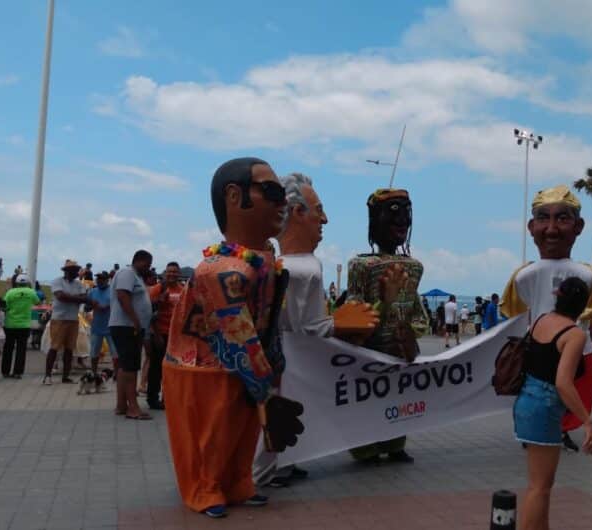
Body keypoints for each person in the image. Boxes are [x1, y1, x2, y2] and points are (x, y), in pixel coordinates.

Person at [163, 158, 303, 518]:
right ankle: (205, 487)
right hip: (207, 365)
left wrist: (271, 363)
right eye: (271, 192)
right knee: (214, 432)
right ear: (234, 196)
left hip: (250, 363)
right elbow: (235, 329)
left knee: (244, 431)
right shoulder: (221, 268)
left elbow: (269, 317)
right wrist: (264, 379)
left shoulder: (266, 262)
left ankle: (240, 480)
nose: (281, 203)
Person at [257, 171, 378, 487]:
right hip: (284, 361)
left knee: (283, 410)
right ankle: (269, 471)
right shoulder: (302, 270)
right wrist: (341, 322)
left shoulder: (288, 265)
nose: (324, 219)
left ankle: (283, 462)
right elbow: (306, 327)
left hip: (283, 362)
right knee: (279, 411)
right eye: (318, 210)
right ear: (297, 213)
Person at [500, 185, 592, 443]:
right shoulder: (523, 276)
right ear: (531, 227)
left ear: (578, 227)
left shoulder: (588, 275)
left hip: (562, 348)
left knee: (560, 391)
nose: (551, 228)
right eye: (543, 218)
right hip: (547, 349)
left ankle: (551, 431)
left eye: (562, 218)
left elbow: (514, 312)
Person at [345, 187, 428, 463]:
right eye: (393, 211)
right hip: (368, 349)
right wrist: (384, 303)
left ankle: (394, 443)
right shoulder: (360, 266)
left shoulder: (414, 267)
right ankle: (365, 447)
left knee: (397, 399)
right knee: (366, 399)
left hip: (398, 350)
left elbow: (417, 311)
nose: (402, 219)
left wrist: (411, 331)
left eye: (406, 211)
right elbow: (356, 311)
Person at [514, 277, 592, 530]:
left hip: (526, 399)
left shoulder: (539, 320)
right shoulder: (574, 335)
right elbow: (563, 382)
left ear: (557, 297)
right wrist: (586, 420)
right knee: (539, 487)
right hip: (545, 405)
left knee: (542, 484)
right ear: (582, 306)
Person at [110, 250, 154, 420]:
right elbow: (122, 296)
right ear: (138, 260)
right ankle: (133, 408)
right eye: (147, 264)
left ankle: (121, 405)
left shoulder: (136, 277)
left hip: (129, 326)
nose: (148, 268)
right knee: (130, 368)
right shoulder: (127, 273)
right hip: (126, 326)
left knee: (124, 366)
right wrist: (135, 320)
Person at [45, 259, 90, 385]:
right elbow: (60, 296)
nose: (77, 273)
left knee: (69, 349)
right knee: (54, 347)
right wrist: (77, 299)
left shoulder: (78, 284)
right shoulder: (57, 282)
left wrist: (71, 298)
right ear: (67, 271)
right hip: (59, 319)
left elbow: (85, 298)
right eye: (75, 271)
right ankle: (47, 376)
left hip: (73, 319)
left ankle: (66, 376)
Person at [147, 261, 182, 411]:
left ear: (179, 274)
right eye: (169, 271)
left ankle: (168, 398)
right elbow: (150, 313)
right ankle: (152, 399)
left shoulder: (183, 290)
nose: (172, 274)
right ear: (164, 273)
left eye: (175, 272)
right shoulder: (157, 289)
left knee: (173, 369)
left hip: (176, 336)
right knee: (156, 368)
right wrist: (156, 335)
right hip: (160, 334)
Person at [1, 274, 40, 379]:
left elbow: (4, 305)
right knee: (21, 349)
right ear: (28, 283)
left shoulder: (10, 292)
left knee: (8, 348)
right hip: (24, 325)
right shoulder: (31, 292)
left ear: (17, 283)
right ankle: (17, 372)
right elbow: (37, 302)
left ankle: (5, 371)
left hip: (10, 324)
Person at [87, 271, 116, 374]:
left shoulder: (113, 291)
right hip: (96, 326)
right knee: (94, 352)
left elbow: (117, 306)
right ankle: (94, 372)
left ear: (107, 280)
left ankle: (116, 373)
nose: (99, 281)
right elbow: (86, 307)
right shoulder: (92, 292)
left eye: (102, 279)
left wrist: (106, 306)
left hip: (111, 327)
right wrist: (92, 305)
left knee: (115, 352)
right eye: (98, 279)